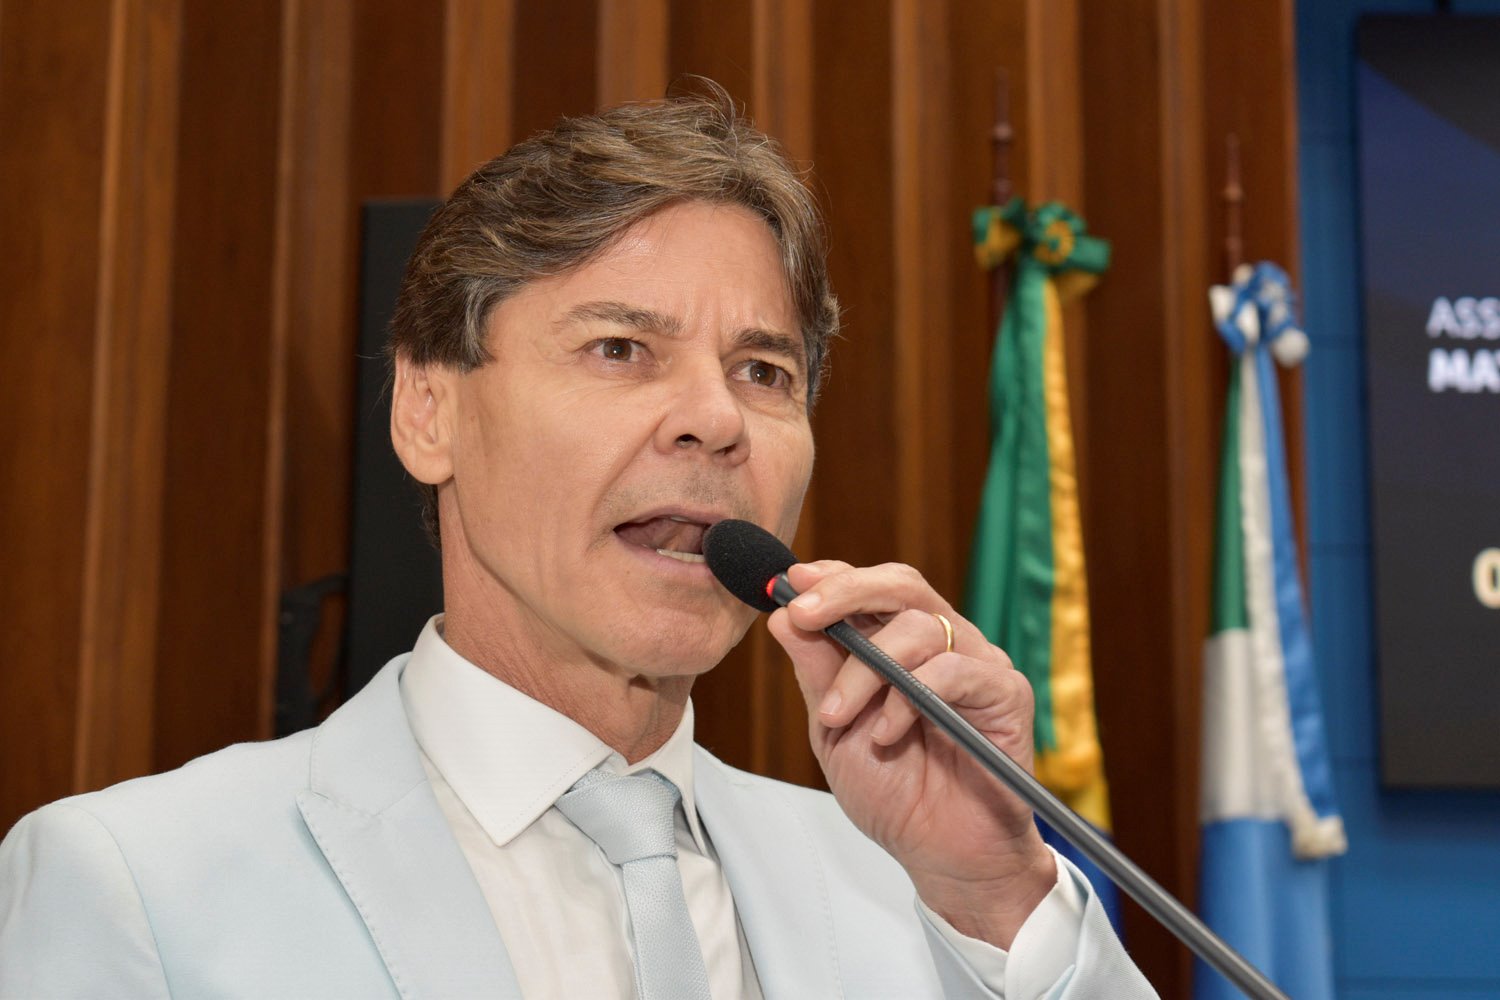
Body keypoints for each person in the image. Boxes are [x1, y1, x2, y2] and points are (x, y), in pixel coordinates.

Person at [0, 82, 1154, 999]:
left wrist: (994, 891)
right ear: (428, 410)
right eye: (620, 349)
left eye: (764, 370)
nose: (715, 418)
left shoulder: (917, 885)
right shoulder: (139, 885)